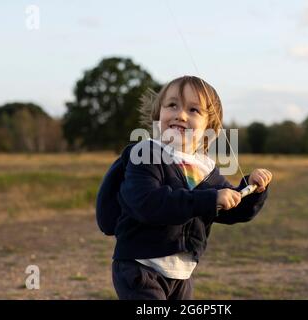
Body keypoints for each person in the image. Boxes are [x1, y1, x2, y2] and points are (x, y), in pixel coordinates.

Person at [96, 75, 272, 300]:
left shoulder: (205, 168)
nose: (180, 115)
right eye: (172, 105)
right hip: (140, 267)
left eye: (193, 110)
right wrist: (209, 199)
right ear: (159, 113)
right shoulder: (146, 155)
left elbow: (232, 209)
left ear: (211, 125)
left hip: (181, 274)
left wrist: (252, 189)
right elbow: (148, 203)